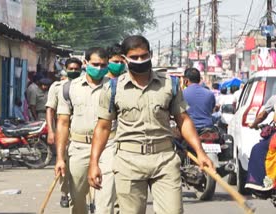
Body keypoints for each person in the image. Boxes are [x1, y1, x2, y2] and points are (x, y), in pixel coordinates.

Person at [87, 35, 214, 214]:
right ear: (125, 59)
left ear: (151, 55)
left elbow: (183, 120)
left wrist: (200, 153)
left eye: (144, 56)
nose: (140, 61)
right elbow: (103, 127)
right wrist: (94, 163)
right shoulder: (113, 89)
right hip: (128, 161)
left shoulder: (170, 84)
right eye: (134, 58)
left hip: (164, 160)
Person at [55, 47, 116, 214]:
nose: (99, 69)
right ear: (85, 63)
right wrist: (60, 158)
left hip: (108, 147)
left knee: (105, 202)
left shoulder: (115, 87)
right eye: (95, 64)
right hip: (79, 147)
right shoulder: (69, 88)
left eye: (103, 65)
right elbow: (63, 123)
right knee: (77, 199)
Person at [45, 57, 82, 208]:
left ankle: (87, 198)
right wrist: (51, 131)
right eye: (70, 69)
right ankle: (64, 193)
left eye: (76, 69)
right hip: (63, 131)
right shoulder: (57, 86)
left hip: (80, 131)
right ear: (65, 69)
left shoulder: (85, 85)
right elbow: (50, 109)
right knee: (63, 163)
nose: (73, 71)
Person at [246, 95, 276, 192]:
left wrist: (253, 124)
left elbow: (261, 116)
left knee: (257, 149)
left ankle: (259, 184)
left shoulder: (274, 98)